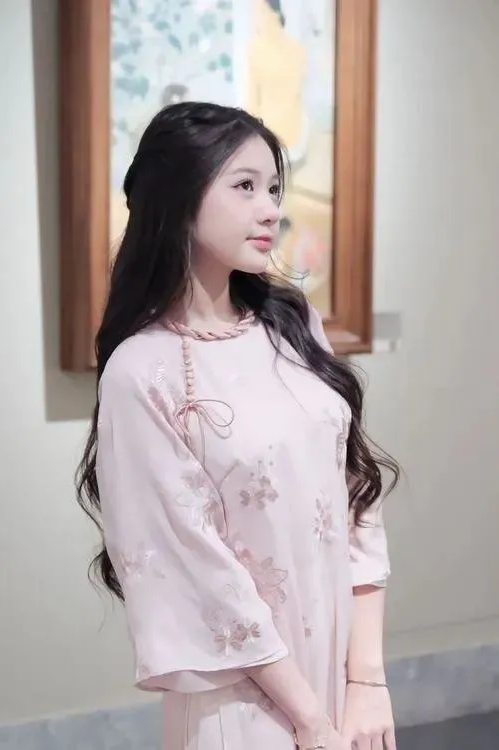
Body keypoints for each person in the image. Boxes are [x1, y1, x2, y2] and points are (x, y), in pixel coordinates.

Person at [77, 101, 399, 750]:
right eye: (245, 186)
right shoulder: (142, 371)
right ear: (180, 197)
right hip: (243, 702)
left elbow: (355, 492)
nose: (270, 209)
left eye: (274, 188)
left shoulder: (293, 324)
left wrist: (367, 680)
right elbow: (199, 573)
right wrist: (309, 721)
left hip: (343, 685)